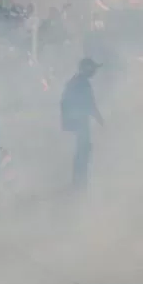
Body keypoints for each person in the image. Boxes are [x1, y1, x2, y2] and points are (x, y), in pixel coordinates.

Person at [60, 58, 104, 190]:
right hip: (80, 122)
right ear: (87, 68)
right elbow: (90, 105)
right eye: (93, 69)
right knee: (83, 152)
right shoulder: (83, 83)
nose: (95, 72)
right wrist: (100, 120)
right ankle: (80, 184)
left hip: (76, 122)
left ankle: (78, 182)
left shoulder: (74, 81)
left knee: (81, 152)